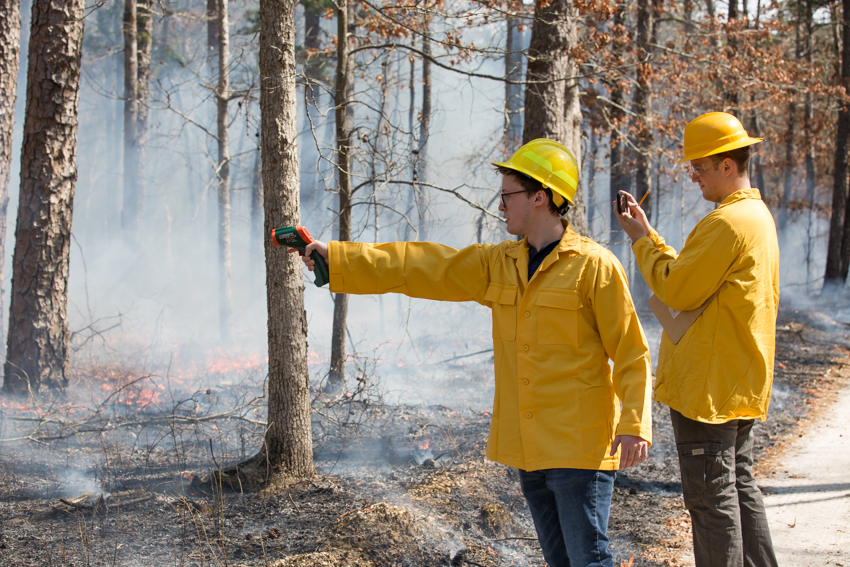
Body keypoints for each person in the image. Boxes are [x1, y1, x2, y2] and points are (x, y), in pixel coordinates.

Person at [293, 139, 653, 567]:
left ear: (540, 197)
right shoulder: (500, 262)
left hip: (580, 451)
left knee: (589, 560)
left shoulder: (595, 266)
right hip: (530, 450)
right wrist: (338, 258)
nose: (500, 206)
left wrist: (634, 424)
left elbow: (632, 351)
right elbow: (422, 265)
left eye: (507, 195)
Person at [615, 112, 780, 567]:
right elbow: (691, 276)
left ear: (728, 165)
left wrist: (641, 243)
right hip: (737, 379)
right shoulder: (754, 217)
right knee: (737, 486)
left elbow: (678, 288)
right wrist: (648, 236)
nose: (694, 177)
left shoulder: (727, 223)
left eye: (700, 168)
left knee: (711, 501)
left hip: (710, 389)